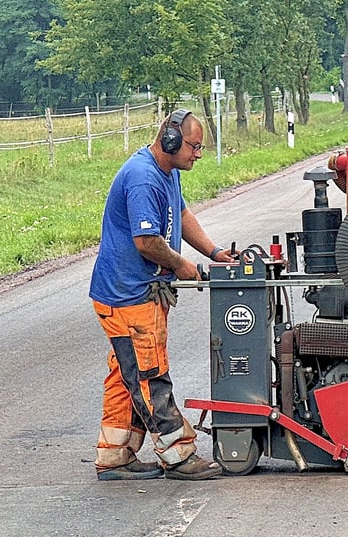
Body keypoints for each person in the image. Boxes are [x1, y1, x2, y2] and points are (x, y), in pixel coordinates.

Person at [89, 109, 235, 481]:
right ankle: (178, 454)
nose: (198, 154)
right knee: (150, 374)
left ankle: (115, 455)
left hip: (137, 293)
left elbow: (181, 215)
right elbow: (147, 242)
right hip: (128, 295)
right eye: (194, 146)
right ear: (170, 140)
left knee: (127, 373)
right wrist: (183, 266)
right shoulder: (143, 178)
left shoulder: (166, 174)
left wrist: (214, 254)